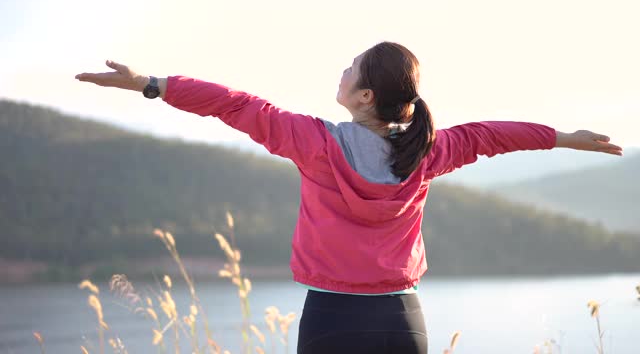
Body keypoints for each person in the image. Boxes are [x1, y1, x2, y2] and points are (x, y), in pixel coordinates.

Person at [76, 41, 623, 354]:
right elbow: (491, 135)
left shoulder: (316, 144)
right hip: (404, 321)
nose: (341, 70)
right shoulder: (427, 152)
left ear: (364, 95)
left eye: (351, 67)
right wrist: (562, 137)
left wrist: (154, 83)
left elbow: (236, 104)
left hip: (332, 317)